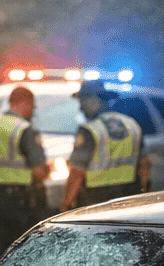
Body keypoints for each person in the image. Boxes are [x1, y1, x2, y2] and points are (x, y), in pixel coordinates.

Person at [0, 84, 51, 266]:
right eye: (32, 106)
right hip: (21, 201)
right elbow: (39, 171)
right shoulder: (24, 129)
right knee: (23, 248)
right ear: (25, 103)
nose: (32, 111)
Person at [58, 80, 149, 213]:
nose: (81, 107)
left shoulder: (90, 130)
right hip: (129, 196)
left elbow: (77, 172)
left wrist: (66, 204)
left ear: (93, 100)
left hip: (95, 200)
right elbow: (145, 164)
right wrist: (142, 190)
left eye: (82, 101)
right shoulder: (132, 125)